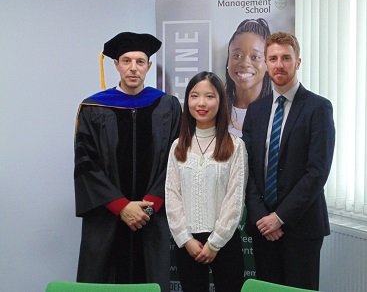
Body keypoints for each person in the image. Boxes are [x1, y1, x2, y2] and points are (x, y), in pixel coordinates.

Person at [74, 32, 181, 292]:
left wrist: (150, 205)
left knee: (151, 281)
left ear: (148, 66)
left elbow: (176, 158)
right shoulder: (93, 108)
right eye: (126, 61)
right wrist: (121, 206)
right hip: (108, 217)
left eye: (140, 61)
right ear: (116, 65)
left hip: (151, 217)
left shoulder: (167, 105)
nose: (133, 67)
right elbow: (86, 164)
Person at [242, 32, 335, 290]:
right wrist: (262, 217)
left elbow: (317, 172)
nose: (279, 64)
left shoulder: (318, 108)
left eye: (286, 58)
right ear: (265, 63)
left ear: (298, 62)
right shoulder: (256, 110)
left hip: (302, 227)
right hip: (263, 230)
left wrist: (280, 217)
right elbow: (247, 169)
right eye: (273, 58)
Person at [165, 71, 248, 292]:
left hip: (225, 243)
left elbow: (235, 198)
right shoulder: (178, 146)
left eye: (210, 96)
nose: (201, 103)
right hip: (188, 244)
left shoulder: (235, 146)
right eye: (194, 96)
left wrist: (215, 242)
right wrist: (186, 239)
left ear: (221, 101)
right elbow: (172, 196)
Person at [225, 18, 272, 137]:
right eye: (237, 55)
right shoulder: (215, 110)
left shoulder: (277, 113)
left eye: (255, 57)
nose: (245, 63)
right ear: (228, 61)